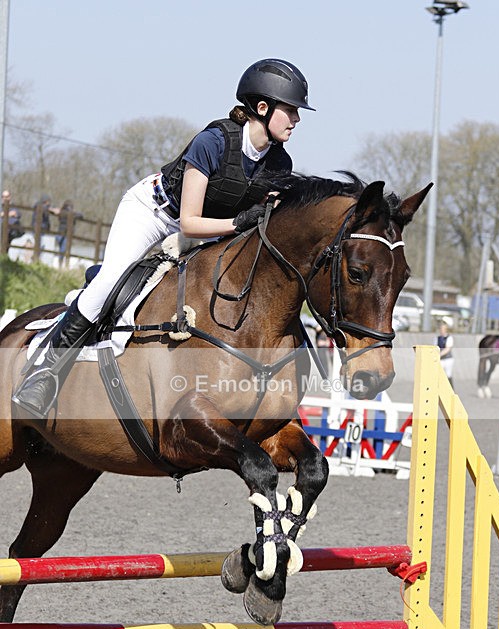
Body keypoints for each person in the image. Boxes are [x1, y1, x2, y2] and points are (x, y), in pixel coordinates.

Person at [13, 58, 315, 419]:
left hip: (212, 229)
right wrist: (238, 223)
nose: (296, 119)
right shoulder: (213, 142)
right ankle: (44, 370)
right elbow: (188, 222)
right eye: (291, 110)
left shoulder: (280, 164)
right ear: (262, 108)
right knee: (111, 280)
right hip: (155, 214)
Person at [55, 200, 83, 265]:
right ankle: (61, 263)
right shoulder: (66, 213)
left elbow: (80, 215)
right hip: (64, 233)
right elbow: (80, 215)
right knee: (63, 250)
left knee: (62, 249)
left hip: (61, 233)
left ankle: (61, 263)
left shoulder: (62, 212)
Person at [436, 318, 454, 386]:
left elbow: (448, 349)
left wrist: (439, 354)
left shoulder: (449, 338)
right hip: (440, 359)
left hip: (447, 359)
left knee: (448, 374)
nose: (442, 331)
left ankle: (451, 390)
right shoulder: (437, 338)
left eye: (443, 329)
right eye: (441, 329)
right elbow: (435, 347)